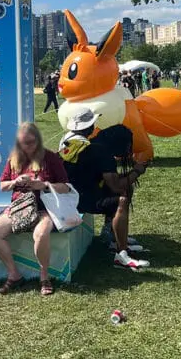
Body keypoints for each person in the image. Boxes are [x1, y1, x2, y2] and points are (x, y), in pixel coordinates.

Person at [59, 109, 150, 272]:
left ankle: (112, 236)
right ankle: (121, 253)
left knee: (119, 190)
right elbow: (117, 186)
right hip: (79, 200)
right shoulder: (101, 151)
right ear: (91, 127)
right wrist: (137, 171)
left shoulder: (69, 140)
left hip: (67, 195)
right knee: (121, 198)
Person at [0, 122, 71, 296]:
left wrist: (43, 185)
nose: (28, 147)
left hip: (44, 208)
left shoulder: (50, 158)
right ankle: (14, 274)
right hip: (20, 207)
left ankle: (44, 276)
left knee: (40, 234)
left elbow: (67, 187)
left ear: (38, 141)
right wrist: (15, 182)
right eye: (24, 143)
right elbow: (2, 186)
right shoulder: (13, 158)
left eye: (32, 142)